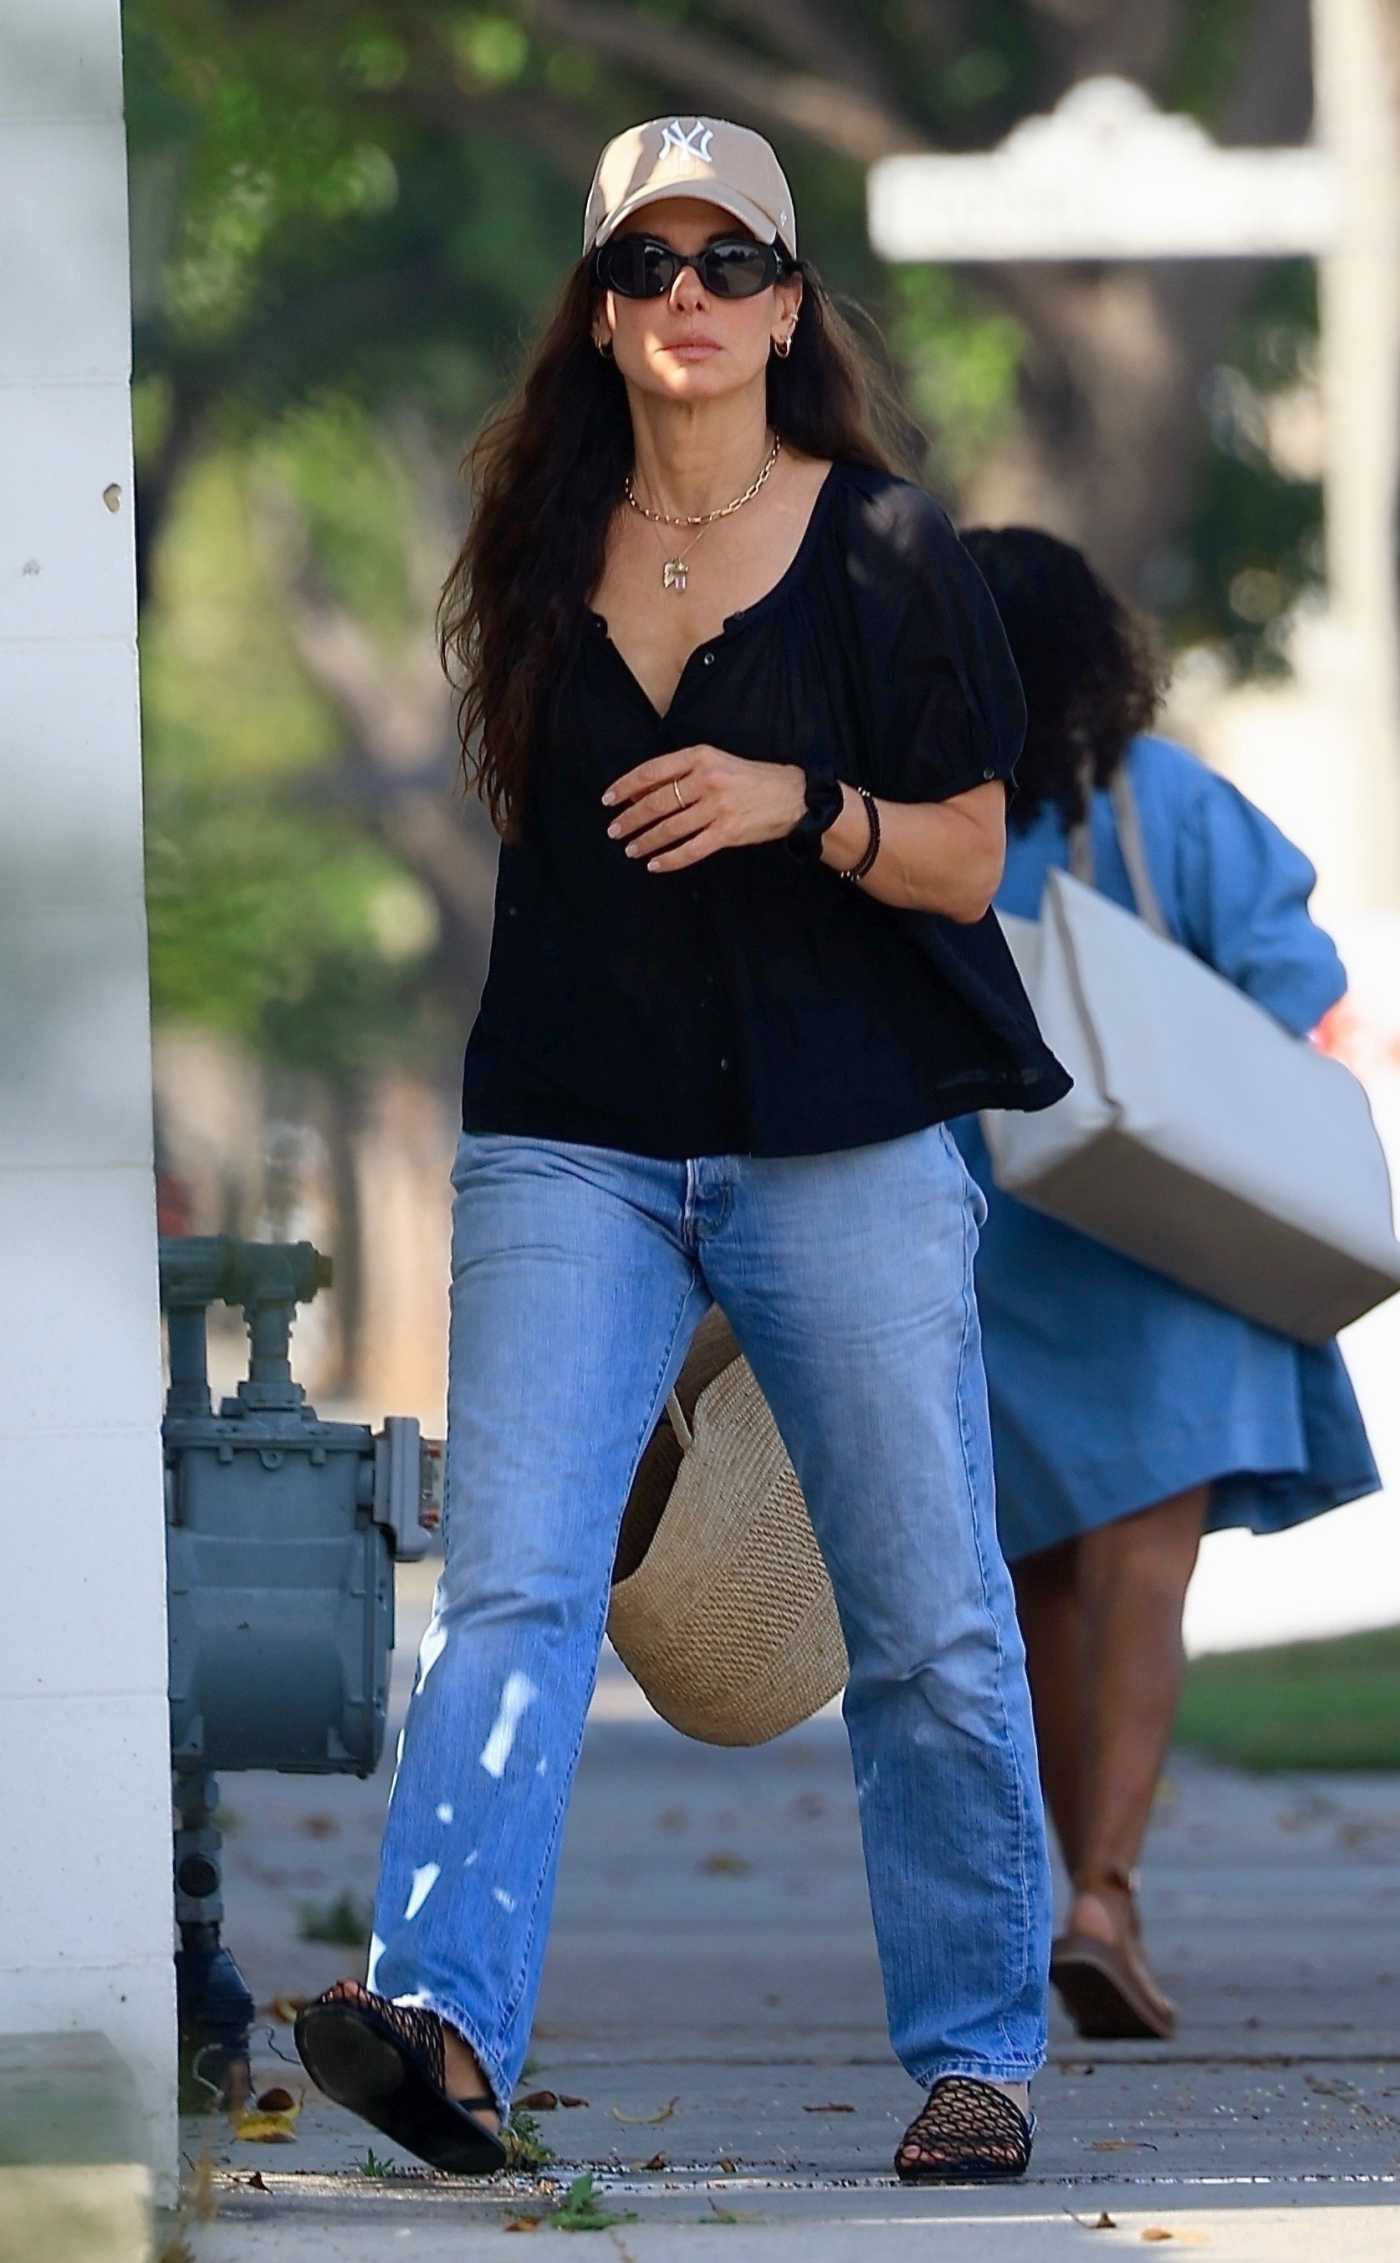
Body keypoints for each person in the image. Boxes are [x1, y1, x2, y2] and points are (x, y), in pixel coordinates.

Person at [293, 115, 1072, 2185]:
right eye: (650, 267)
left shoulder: (895, 548)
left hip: (843, 1138)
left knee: (923, 1615)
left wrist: (794, 803)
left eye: (733, 264)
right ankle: (443, 2022)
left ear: (791, 306)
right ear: (604, 311)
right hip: (573, 1139)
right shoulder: (540, 547)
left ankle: (982, 2044)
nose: (692, 300)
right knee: (518, 1582)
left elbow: (970, 856)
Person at [956, 526, 1380, 2041]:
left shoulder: (927, 827)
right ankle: (1107, 1893)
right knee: (1146, 1576)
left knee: (1042, 1586)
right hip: (1176, 1235)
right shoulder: (1171, 806)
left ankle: (1086, 1886)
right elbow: (1295, 988)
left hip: (997, 1249)